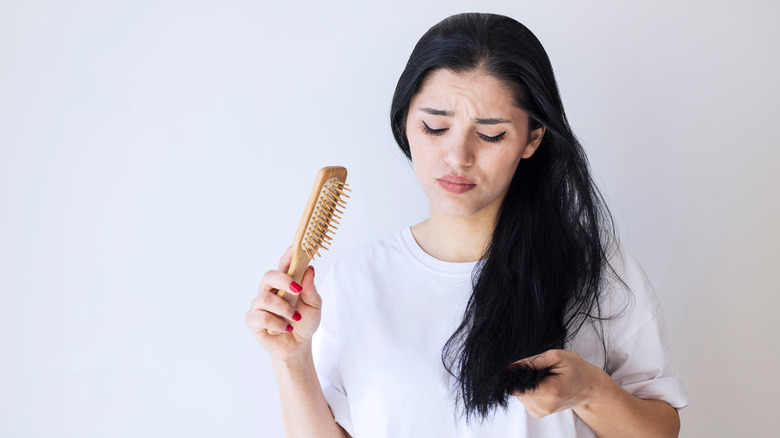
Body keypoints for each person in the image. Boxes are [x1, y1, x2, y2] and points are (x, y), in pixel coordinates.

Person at [246, 12, 688, 437]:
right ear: (405, 123)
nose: (458, 156)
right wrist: (291, 359)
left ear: (532, 139)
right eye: (435, 127)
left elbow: (660, 432)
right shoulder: (354, 282)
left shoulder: (594, 266)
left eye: (491, 134)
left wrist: (590, 389)